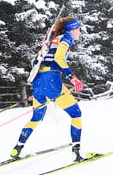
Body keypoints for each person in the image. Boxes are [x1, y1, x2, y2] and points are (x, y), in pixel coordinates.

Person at [11, 15, 85, 161]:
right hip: (51, 81)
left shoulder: (52, 40)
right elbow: (58, 58)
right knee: (76, 114)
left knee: (36, 118)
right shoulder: (67, 37)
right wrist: (72, 77)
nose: (80, 32)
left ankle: (17, 149)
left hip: (38, 82)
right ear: (72, 29)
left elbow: (35, 60)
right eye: (79, 29)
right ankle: (76, 153)